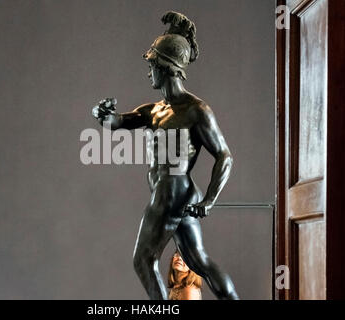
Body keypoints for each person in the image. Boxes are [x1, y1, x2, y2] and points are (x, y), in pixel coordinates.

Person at [92, 11, 239, 300]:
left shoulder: (196, 110)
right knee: (199, 261)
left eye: (152, 65)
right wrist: (103, 114)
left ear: (167, 67)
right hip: (178, 195)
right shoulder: (153, 110)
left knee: (143, 260)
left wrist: (210, 199)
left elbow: (224, 156)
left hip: (171, 193)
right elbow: (118, 122)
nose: (149, 72)